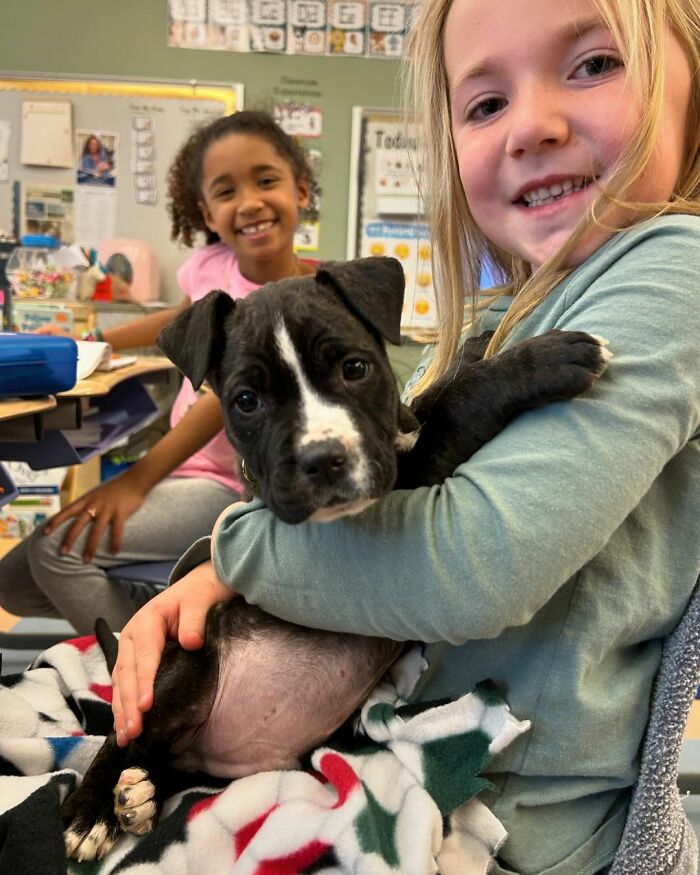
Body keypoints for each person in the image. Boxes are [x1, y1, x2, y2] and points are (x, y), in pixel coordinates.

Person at [111, 1, 700, 872]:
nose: (533, 125)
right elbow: (420, 457)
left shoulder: (676, 266)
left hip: (512, 823)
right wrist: (207, 576)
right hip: (392, 756)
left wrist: (236, 551)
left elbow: (473, 564)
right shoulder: (509, 309)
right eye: (486, 103)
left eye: (593, 64)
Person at [0, 110, 318, 635]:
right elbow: (180, 318)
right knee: (13, 582)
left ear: (301, 191)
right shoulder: (215, 268)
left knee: (57, 549)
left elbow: (220, 403)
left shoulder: (297, 304)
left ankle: (147, 674)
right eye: (227, 191)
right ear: (207, 213)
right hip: (184, 473)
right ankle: (160, 614)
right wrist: (93, 342)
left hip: (233, 488)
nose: (250, 202)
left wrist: (136, 480)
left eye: (266, 181)